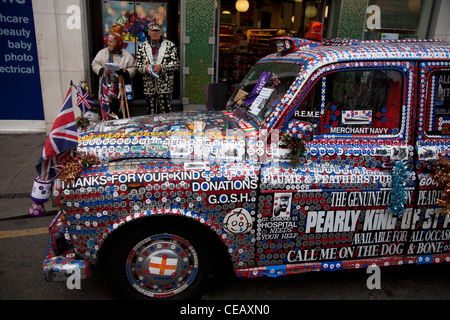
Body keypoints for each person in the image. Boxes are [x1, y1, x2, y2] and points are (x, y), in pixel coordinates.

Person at [135, 21, 179, 114]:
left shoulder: (170, 46)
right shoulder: (142, 47)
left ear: (161, 32)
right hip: (149, 85)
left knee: (166, 111)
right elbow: (137, 64)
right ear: (149, 32)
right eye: (152, 31)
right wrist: (145, 68)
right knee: (150, 112)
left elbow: (176, 64)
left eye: (157, 31)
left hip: (165, 85)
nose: (154, 33)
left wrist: (162, 67)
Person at [91, 32, 136, 118]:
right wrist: (103, 70)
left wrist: (124, 72)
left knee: (122, 114)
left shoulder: (127, 55)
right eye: (108, 41)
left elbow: (133, 69)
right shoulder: (102, 53)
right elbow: (94, 64)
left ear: (118, 43)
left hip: (122, 91)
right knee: (108, 114)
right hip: (107, 91)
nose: (108, 43)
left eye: (111, 42)